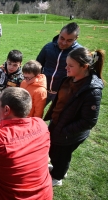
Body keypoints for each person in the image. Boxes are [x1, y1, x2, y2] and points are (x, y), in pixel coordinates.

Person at [44, 47, 105, 186]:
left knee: (62, 155)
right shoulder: (69, 79)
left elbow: (89, 121)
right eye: (67, 64)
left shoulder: (92, 91)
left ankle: (57, 177)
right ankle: (59, 168)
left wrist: (65, 131)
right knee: (54, 151)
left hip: (69, 133)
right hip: (58, 124)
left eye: (71, 66)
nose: (66, 68)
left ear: (84, 67)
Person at [36, 22, 82, 105]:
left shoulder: (79, 53)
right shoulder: (48, 47)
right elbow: (37, 64)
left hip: (63, 93)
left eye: (69, 40)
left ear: (76, 38)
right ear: (59, 34)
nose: (64, 43)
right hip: (43, 89)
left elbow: (82, 75)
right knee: (34, 114)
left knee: (57, 117)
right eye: (62, 38)